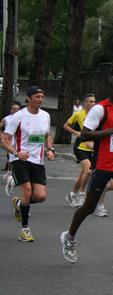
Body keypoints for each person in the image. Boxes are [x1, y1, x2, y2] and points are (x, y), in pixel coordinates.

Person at [60, 75, 113, 274]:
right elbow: (85, 135)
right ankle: (70, 237)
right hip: (103, 166)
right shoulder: (100, 109)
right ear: (109, 91)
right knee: (88, 207)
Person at [1, 86, 54, 242]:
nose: (40, 100)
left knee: (40, 196)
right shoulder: (18, 117)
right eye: (37, 97)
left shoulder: (45, 115)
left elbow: (46, 136)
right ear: (29, 98)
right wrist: (16, 153)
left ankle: (19, 203)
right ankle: (25, 230)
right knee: (27, 190)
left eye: (42, 97)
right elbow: (5, 140)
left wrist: (50, 149)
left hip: (37, 161)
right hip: (20, 160)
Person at [63, 94, 96, 207]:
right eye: (90, 102)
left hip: (92, 147)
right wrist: (76, 133)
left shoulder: (97, 115)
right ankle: (82, 194)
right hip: (80, 147)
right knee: (88, 171)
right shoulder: (78, 114)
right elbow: (66, 125)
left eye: (94, 102)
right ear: (85, 103)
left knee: (82, 175)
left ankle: (71, 195)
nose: (93, 104)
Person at [2, 101, 22, 193]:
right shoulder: (7, 119)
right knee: (10, 155)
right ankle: (9, 172)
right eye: (14, 109)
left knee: (14, 157)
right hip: (9, 140)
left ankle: (12, 175)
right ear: (11, 110)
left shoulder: (22, 118)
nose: (16, 110)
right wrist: (2, 136)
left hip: (18, 140)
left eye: (18, 109)